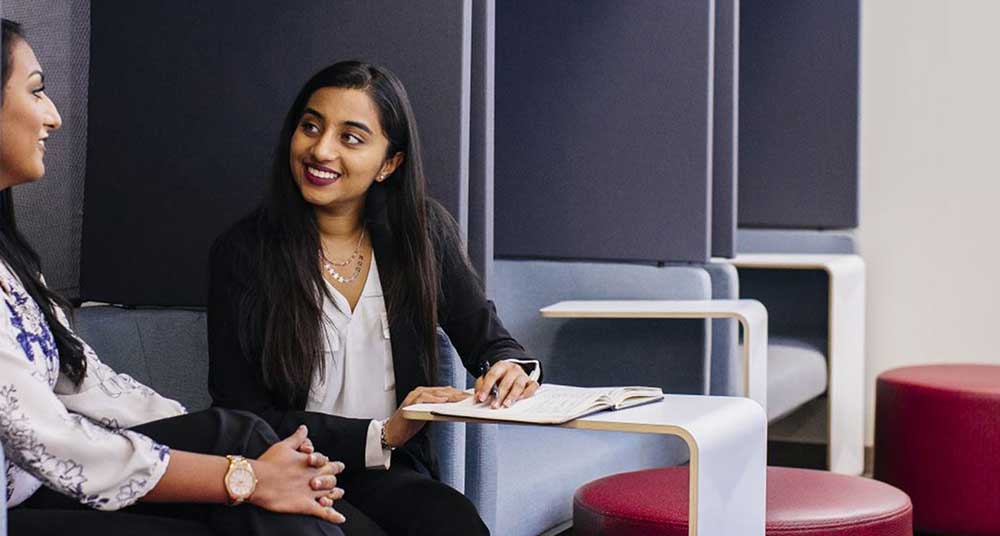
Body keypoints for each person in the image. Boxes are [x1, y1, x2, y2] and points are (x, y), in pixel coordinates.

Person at [0, 19, 347, 535]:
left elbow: (85, 382)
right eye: (35, 91)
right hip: (20, 506)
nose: (53, 116)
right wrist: (245, 477)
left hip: (49, 482)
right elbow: (50, 441)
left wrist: (227, 449)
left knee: (239, 434)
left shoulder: (11, 259)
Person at [207, 61, 542, 535]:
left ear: (389, 163)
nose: (320, 150)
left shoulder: (421, 235)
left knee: (455, 523)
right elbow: (242, 413)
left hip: (390, 470)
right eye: (311, 127)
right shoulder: (243, 252)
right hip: (288, 469)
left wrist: (511, 368)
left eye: (350, 137)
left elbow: (489, 339)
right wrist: (382, 432)